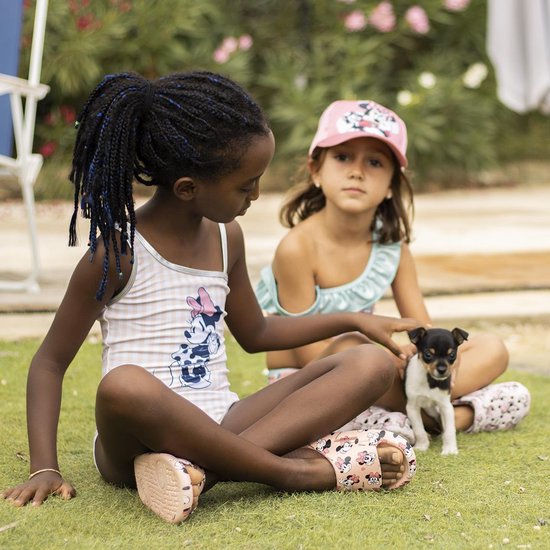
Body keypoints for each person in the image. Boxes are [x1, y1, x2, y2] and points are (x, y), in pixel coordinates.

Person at [1, 75, 421, 525]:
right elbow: (48, 362)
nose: (255, 196)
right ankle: (295, 471)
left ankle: (205, 475)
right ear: (187, 188)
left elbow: (257, 333)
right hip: (135, 443)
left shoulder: (227, 237)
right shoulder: (118, 251)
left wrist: (357, 321)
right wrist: (44, 467)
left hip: (225, 420)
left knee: (370, 363)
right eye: (246, 186)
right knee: (124, 383)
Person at [256, 99, 530, 440]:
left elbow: (423, 329)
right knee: (353, 347)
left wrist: (414, 364)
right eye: (342, 157)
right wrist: (385, 362)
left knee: (492, 348)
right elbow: (307, 352)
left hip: (376, 379)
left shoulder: (393, 249)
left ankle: (413, 418)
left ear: (390, 185)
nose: (357, 171)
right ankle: (445, 418)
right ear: (315, 169)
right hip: (306, 382)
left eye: (374, 162)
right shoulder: (297, 247)